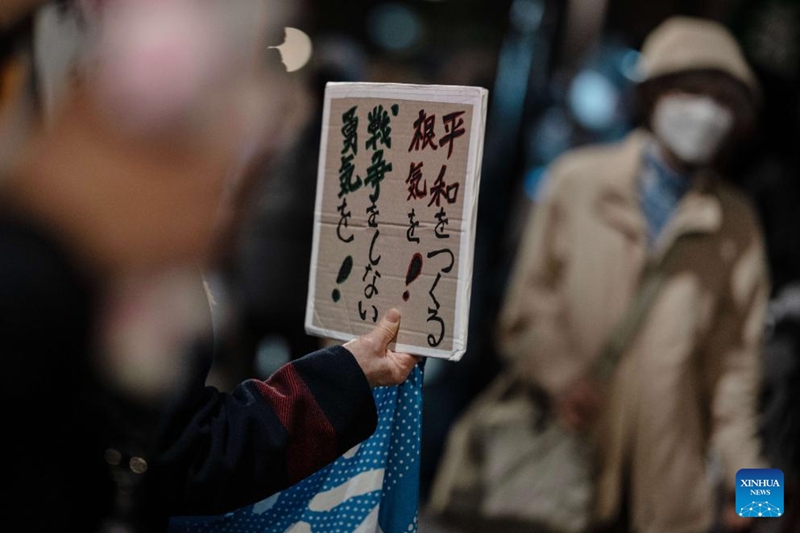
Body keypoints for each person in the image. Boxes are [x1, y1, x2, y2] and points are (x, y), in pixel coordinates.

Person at [0, 1, 418, 531]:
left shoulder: (75, 292)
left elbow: (176, 446)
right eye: (227, 174)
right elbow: (183, 455)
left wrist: (346, 374)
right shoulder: (41, 303)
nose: (223, 219)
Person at [497, 16, 769, 533]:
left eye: (722, 99)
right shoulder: (576, 181)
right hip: (559, 473)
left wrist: (759, 497)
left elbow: (739, 370)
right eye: (690, 90)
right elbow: (525, 310)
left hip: (671, 494)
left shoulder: (738, 221)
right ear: (653, 96)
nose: (706, 111)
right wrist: (560, 377)